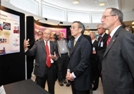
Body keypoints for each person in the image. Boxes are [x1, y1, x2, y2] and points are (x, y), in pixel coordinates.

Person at [101, 7, 134, 94]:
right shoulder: (112, 37)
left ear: (115, 17)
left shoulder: (125, 36)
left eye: (105, 17)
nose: (102, 20)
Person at [24, 29, 59, 94]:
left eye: (48, 34)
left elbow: (57, 55)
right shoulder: (37, 43)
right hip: (40, 69)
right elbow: (31, 53)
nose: (46, 35)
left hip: (51, 70)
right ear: (43, 34)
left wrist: (55, 57)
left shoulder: (54, 44)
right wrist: (25, 48)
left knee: (51, 89)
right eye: (45, 33)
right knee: (39, 89)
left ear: (50, 35)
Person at [66, 21, 92, 94]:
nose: (71, 29)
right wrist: (68, 70)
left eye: (74, 27)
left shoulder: (85, 42)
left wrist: (73, 75)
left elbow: (85, 62)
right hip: (74, 77)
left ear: (80, 30)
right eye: (71, 27)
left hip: (81, 80)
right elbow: (71, 58)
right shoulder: (74, 41)